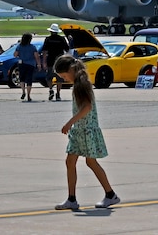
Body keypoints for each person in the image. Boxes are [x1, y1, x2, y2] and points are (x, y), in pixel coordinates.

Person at [52, 55, 120, 210]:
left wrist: (70, 122)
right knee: (70, 162)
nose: (64, 79)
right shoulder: (78, 82)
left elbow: (87, 107)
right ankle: (72, 199)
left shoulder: (81, 84)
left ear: (70, 70)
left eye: (64, 76)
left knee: (91, 162)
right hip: (79, 131)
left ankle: (110, 195)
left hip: (86, 130)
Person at [42, 24, 71, 102]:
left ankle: (51, 89)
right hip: (59, 61)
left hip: (50, 60)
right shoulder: (61, 39)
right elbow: (67, 49)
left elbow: (44, 51)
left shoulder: (48, 39)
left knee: (49, 77)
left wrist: (44, 62)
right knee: (59, 78)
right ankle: (58, 94)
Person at [14, 33, 40, 101]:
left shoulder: (19, 46)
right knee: (29, 79)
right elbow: (36, 56)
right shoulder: (32, 47)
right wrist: (39, 64)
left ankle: (23, 92)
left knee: (22, 78)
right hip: (31, 64)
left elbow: (15, 55)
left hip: (22, 63)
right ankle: (28, 95)